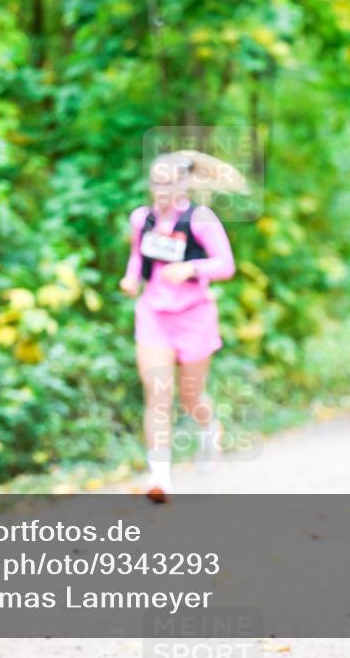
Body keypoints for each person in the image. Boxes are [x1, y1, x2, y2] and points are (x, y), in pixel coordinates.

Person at [120, 152, 237, 503]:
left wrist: (191, 269)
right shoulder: (141, 218)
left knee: (189, 397)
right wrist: (130, 280)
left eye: (168, 182)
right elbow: (138, 257)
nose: (160, 189)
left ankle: (208, 425)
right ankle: (160, 477)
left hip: (194, 316)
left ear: (183, 184)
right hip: (154, 315)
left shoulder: (200, 218)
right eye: (156, 181)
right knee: (157, 394)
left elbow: (226, 265)